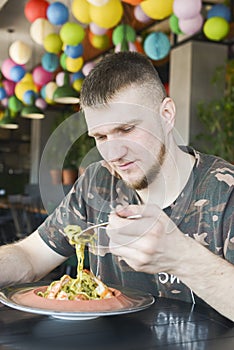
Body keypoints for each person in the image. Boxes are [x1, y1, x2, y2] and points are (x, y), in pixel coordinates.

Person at [0, 52, 233, 321]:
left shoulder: (225, 191)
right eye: (100, 136)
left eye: (126, 130)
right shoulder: (98, 182)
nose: (113, 153)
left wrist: (181, 258)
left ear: (167, 115)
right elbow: (30, 257)